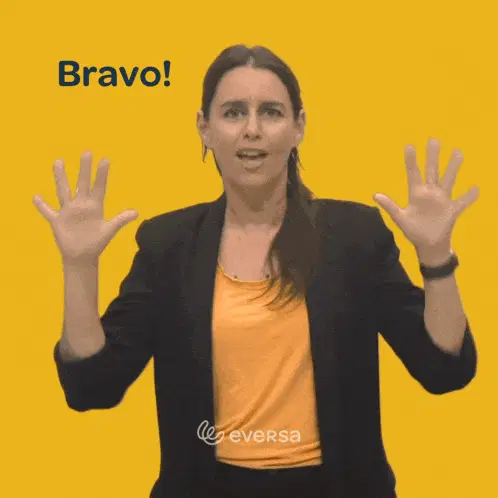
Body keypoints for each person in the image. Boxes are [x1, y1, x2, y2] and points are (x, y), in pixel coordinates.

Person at [34, 45, 479, 498]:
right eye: (233, 113)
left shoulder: (355, 236)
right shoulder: (168, 245)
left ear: (298, 127)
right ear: (205, 128)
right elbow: (93, 386)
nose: (252, 129)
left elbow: (443, 369)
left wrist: (436, 257)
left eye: (270, 112)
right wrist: (79, 266)